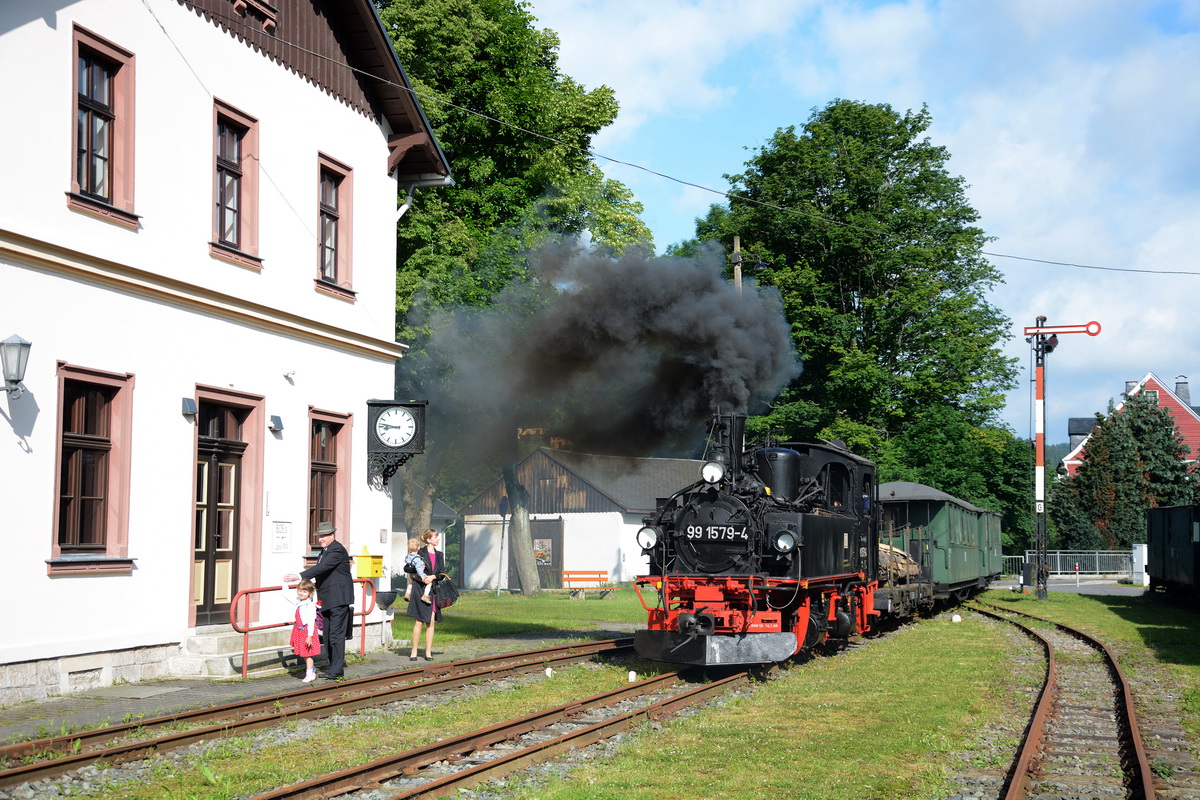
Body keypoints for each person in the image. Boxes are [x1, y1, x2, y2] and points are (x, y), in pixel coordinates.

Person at [285, 521, 353, 680]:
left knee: (336, 635)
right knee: (328, 635)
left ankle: (336, 670)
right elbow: (324, 572)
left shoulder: (336, 549)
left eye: (323, 536)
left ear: (332, 535)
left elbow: (323, 568)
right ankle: (333, 666)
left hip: (338, 598)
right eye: (319, 536)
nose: (321, 539)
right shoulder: (325, 551)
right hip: (327, 599)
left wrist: (300, 576)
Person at [406, 528, 442, 661]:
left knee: (431, 622)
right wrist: (422, 577)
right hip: (419, 588)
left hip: (432, 591)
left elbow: (442, 574)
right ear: (428, 540)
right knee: (419, 621)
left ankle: (428, 652)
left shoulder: (440, 555)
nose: (438, 539)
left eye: (437, 537)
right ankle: (414, 651)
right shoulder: (419, 553)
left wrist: (433, 577)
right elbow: (407, 567)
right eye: (435, 537)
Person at [280, 578, 321, 682]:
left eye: (304, 591)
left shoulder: (310, 605)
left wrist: (310, 636)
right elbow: (286, 594)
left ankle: (309, 673)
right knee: (303, 653)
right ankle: (311, 670)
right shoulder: (298, 601)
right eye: (300, 591)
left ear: (310, 593)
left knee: (308, 654)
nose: (301, 593)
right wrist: (285, 582)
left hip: (307, 631)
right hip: (299, 630)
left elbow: (311, 621)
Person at [402, 537, 433, 604]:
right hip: (418, 574)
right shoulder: (418, 558)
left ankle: (407, 594)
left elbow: (407, 562)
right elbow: (419, 569)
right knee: (429, 583)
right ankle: (425, 596)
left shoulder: (408, 557)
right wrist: (423, 576)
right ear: (418, 547)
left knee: (410, 583)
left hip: (411, 574)